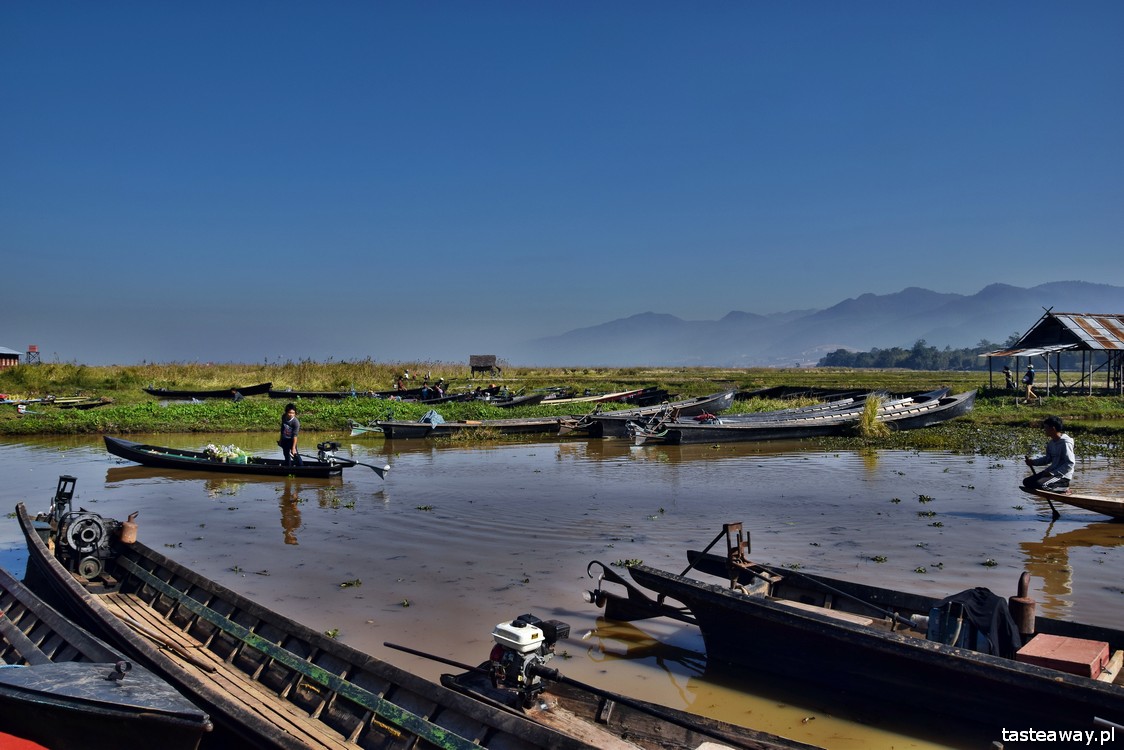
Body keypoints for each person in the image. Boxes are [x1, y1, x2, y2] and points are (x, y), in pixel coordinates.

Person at [1023, 415, 1074, 492]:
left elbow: (1070, 463)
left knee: (1042, 485)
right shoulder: (1051, 443)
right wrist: (1033, 462)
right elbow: (1047, 459)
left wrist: (1052, 473)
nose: (1044, 430)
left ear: (1052, 429)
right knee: (1027, 482)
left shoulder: (1065, 443)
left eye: (1046, 428)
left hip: (1061, 476)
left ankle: (1064, 489)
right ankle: (1055, 487)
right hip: (1050, 473)